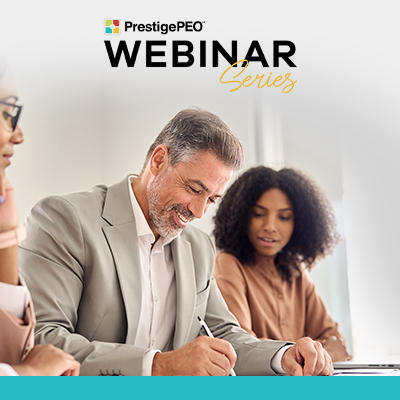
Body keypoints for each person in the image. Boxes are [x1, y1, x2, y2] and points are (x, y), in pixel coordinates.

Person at [19, 108, 333, 376]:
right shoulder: (64, 219)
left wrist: (283, 356)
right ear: (158, 160)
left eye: (211, 198)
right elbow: (43, 340)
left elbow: (224, 335)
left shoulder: (197, 247)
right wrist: (157, 366)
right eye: (195, 189)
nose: (198, 212)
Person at [213, 166, 351, 362]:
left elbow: (336, 344)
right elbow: (240, 346)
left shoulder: (296, 271)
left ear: (300, 223)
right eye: (259, 214)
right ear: (242, 217)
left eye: (284, 217)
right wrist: (304, 356)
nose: (270, 226)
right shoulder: (229, 264)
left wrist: (303, 358)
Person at [0, 58, 80, 376]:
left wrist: (6, 239)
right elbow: (20, 367)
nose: (18, 135)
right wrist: (29, 375)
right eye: (8, 114)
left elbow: (9, 354)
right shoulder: (67, 217)